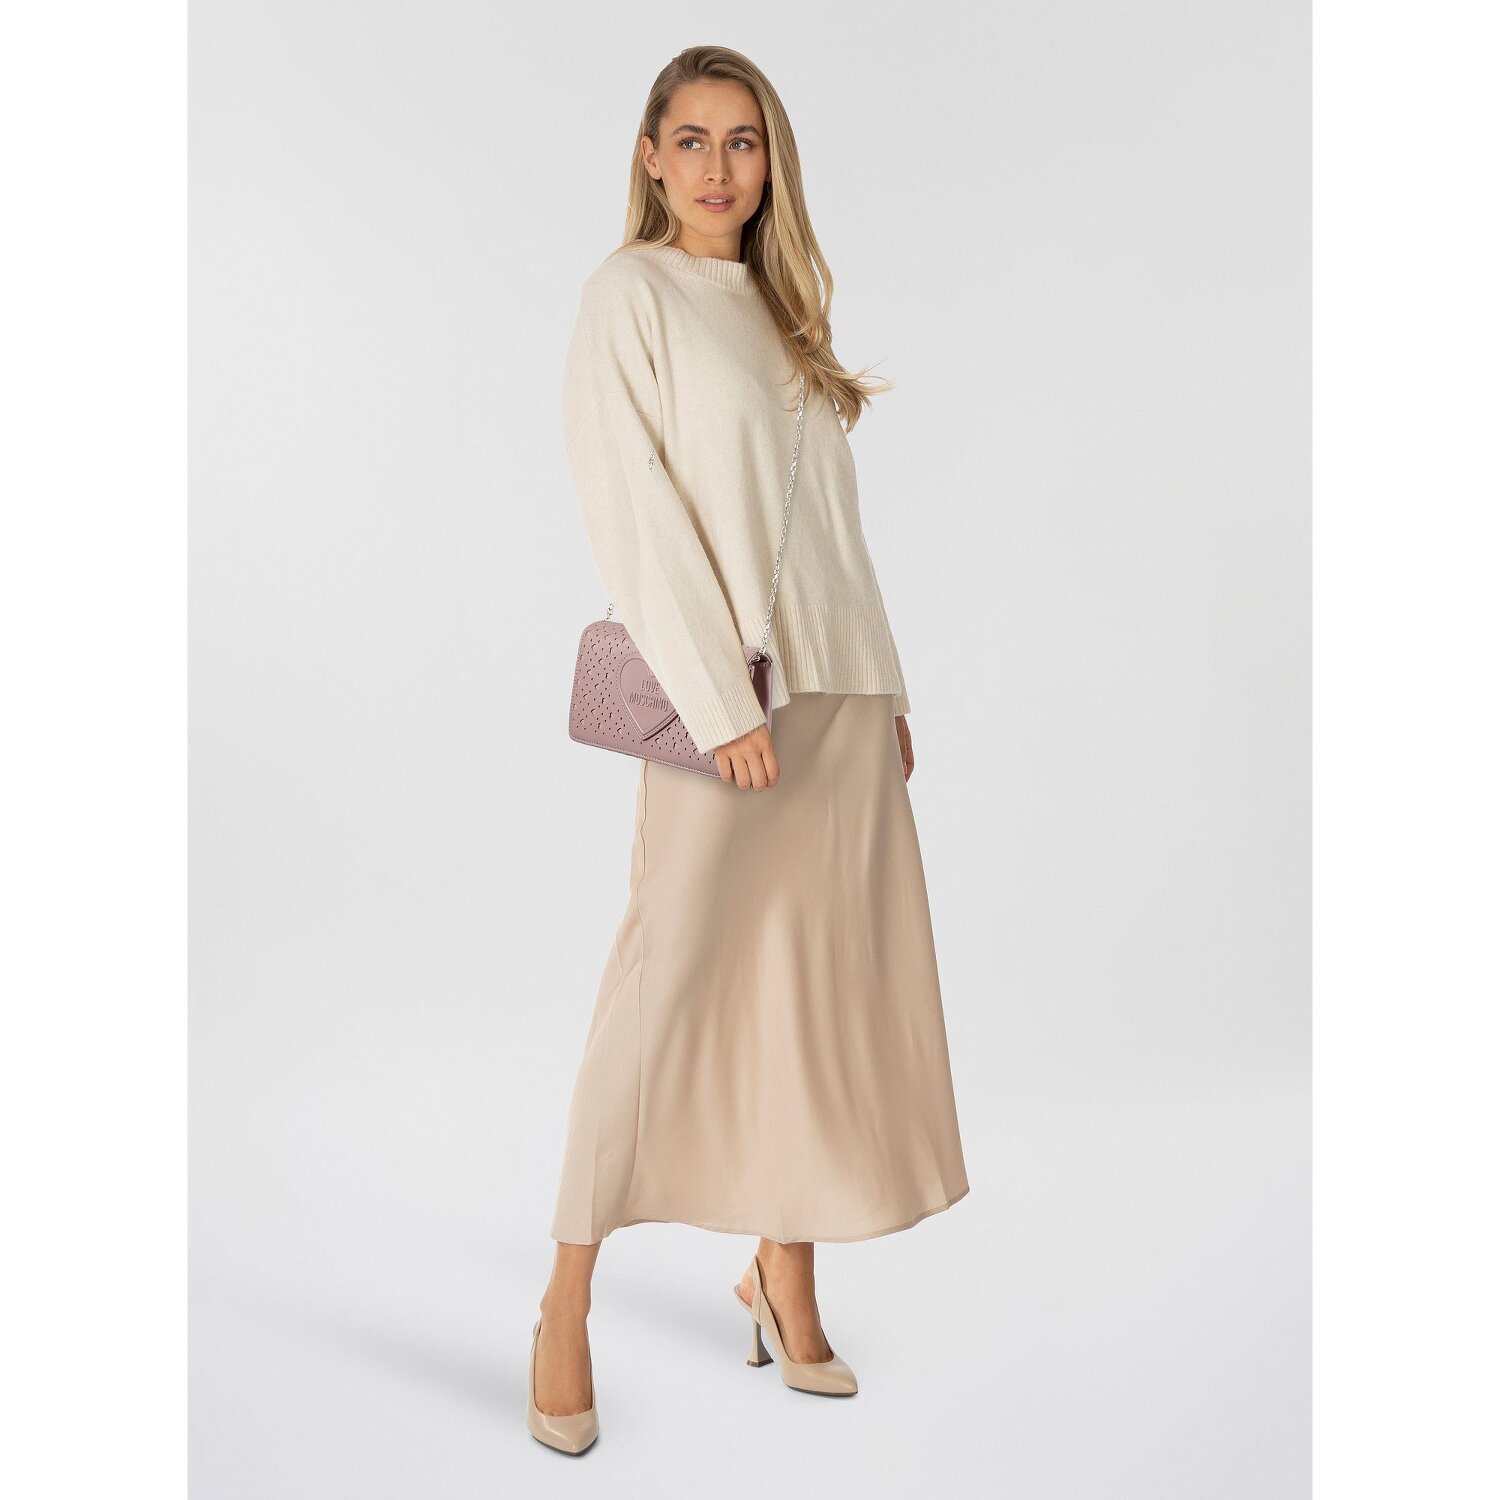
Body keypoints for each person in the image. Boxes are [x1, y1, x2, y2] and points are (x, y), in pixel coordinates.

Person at [527, 45, 969, 1455]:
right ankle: (562, 1304)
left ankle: (783, 1273)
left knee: (813, 990)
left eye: (744, 141)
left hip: (837, 701)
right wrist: (721, 705)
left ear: (771, 162)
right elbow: (632, 511)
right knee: (662, 987)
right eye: (693, 139)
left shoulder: (785, 313)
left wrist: (884, 693)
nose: (718, 167)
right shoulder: (629, 297)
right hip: (730, 707)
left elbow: (831, 533)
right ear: (650, 156)